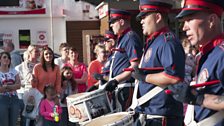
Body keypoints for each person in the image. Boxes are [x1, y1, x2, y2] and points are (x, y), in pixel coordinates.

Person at [169, 0, 224, 126]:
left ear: (211, 21)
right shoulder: (206, 54)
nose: (184, 27)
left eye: (189, 19)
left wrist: (198, 98)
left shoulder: (221, 54)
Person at [131, 0, 186, 125]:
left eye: (144, 17)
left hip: (161, 117)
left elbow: (174, 77)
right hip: (150, 114)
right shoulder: (155, 41)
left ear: (158, 17)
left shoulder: (168, 42)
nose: (141, 21)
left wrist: (145, 77)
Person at [105, 9, 143, 112]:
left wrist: (116, 80)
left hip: (127, 87)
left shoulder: (130, 38)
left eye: (113, 22)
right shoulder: (123, 38)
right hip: (121, 87)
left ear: (121, 22)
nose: (111, 25)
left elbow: (136, 66)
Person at [15, 45, 40, 126]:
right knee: (27, 118)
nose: (38, 53)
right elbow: (18, 82)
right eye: (36, 51)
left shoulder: (40, 65)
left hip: (38, 93)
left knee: (36, 118)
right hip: (25, 93)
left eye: (38, 51)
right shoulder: (21, 67)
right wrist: (27, 82)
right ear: (30, 52)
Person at [0, 51, 21, 126]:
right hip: (2, 100)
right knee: (4, 123)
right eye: (4, 57)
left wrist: (7, 86)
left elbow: (18, 86)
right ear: (0, 59)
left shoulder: (14, 71)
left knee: (14, 123)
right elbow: (0, 89)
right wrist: (13, 86)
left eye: (8, 57)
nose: (7, 59)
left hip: (14, 99)